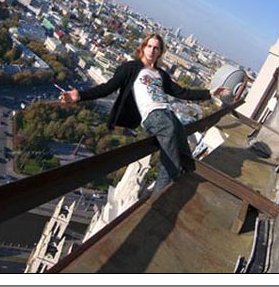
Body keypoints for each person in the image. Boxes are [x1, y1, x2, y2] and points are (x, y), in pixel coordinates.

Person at [60, 33, 229, 193]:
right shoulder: (131, 68)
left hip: (168, 113)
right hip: (152, 114)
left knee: (183, 148)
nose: (152, 50)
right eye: (149, 46)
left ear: (160, 52)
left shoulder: (161, 74)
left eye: (156, 48)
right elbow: (107, 87)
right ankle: (160, 194)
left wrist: (210, 93)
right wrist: (79, 95)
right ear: (143, 47)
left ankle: (185, 180)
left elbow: (182, 92)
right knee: (170, 146)